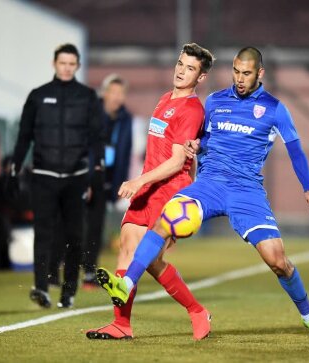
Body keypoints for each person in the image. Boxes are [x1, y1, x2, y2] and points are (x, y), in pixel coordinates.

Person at [96, 46, 309, 341]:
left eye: (246, 73)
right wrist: (196, 146)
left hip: (246, 190)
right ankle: (126, 284)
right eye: (236, 71)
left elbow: (295, 150)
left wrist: (308, 187)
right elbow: (202, 140)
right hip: (209, 183)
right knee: (167, 218)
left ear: (260, 74)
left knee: (277, 260)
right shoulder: (214, 102)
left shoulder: (275, 109)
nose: (239, 78)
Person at [86, 43, 215, 340]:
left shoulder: (192, 110)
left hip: (169, 190)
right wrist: (143, 182)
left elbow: (177, 161)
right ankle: (121, 324)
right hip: (148, 186)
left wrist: (138, 181)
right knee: (133, 253)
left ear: (201, 77)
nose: (182, 71)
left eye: (190, 68)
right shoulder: (165, 99)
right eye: (180, 64)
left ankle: (196, 310)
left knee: (146, 259)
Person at [8, 43, 104, 309]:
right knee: (44, 233)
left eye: (72, 64)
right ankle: (41, 287)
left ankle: (68, 291)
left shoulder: (87, 97)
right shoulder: (38, 96)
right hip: (44, 175)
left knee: (75, 235)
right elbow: (24, 136)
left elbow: (96, 138)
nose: (66, 67)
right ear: (54, 64)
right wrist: (15, 167)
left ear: (78, 66)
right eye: (62, 63)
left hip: (76, 177)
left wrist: (98, 169)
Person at [82, 74, 134, 289]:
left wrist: (118, 185)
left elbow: (125, 152)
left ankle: (88, 271)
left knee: (96, 226)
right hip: (87, 175)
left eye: (120, 93)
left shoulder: (125, 119)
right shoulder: (90, 112)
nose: (116, 97)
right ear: (104, 93)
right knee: (77, 223)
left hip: (107, 177)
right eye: (112, 92)